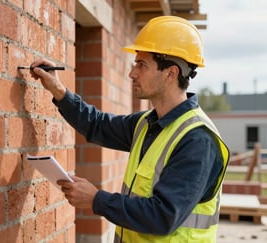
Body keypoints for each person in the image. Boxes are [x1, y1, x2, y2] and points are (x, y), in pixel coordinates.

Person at [29, 16, 229, 242]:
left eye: (141, 65)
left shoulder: (197, 140)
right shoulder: (146, 123)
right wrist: (58, 89)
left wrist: (96, 199)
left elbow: (163, 216)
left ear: (171, 73)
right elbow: (97, 125)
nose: (132, 73)